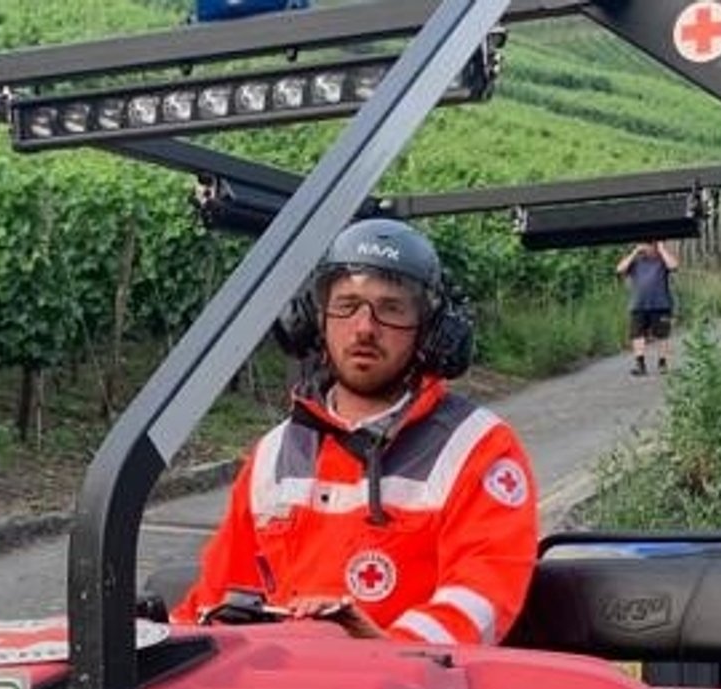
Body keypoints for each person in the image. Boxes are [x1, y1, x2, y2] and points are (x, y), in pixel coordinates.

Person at [172, 219, 539, 645]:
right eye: (347, 304)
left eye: (391, 308)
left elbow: (481, 598)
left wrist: (386, 653)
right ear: (314, 320)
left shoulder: (478, 448)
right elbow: (216, 598)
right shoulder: (273, 454)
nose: (365, 327)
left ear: (431, 331)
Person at [617, 240, 678, 376]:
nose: (646, 247)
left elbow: (674, 266)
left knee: (662, 335)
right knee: (637, 334)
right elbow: (620, 269)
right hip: (639, 304)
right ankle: (640, 364)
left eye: (649, 244)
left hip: (661, 304)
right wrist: (634, 252)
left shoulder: (662, 260)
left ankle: (662, 363)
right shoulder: (636, 261)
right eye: (644, 244)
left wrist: (662, 249)